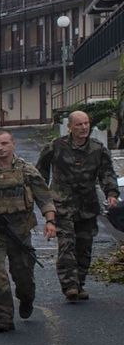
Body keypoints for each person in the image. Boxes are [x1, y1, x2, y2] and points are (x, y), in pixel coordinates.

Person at [0, 130, 56, 332]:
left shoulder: (27, 171)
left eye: (4, 143)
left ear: (13, 144)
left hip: (20, 232)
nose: (1, 148)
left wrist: (50, 221)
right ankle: (3, 318)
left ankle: (26, 298)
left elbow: (44, 198)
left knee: (23, 277)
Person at [36, 110, 121, 301]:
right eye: (78, 125)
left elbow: (107, 173)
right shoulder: (56, 146)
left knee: (84, 246)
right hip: (62, 205)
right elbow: (40, 171)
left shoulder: (98, 149)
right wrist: (43, 197)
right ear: (70, 127)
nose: (83, 128)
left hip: (88, 206)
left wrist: (112, 194)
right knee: (67, 244)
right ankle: (70, 285)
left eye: (86, 124)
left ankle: (80, 283)